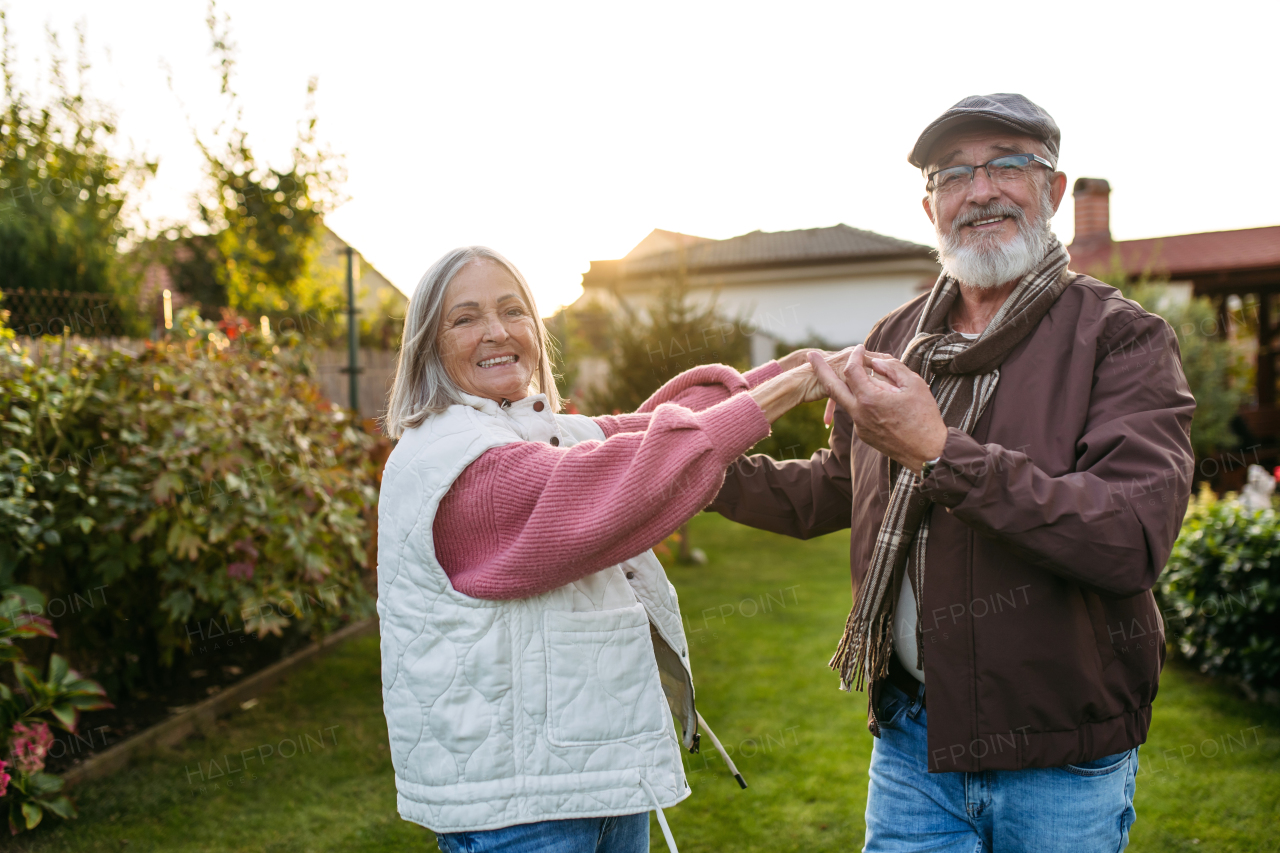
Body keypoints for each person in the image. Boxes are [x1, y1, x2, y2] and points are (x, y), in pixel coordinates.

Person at [710, 94, 1196, 852]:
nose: (981, 190)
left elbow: (1129, 537)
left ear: (1054, 190)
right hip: (913, 746)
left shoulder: (1123, 338)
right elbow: (838, 485)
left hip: (1059, 760)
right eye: (953, 175)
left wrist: (941, 452)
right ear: (930, 204)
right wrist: (698, 471)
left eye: (1008, 164)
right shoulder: (896, 338)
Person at [376, 245, 838, 853]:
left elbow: (640, 429)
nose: (497, 331)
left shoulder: (524, 429)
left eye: (513, 310)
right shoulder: (462, 462)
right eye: (465, 319)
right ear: (428, 347)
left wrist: (786, 371)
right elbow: (621, 477)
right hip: (524, 813)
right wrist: (775, 399)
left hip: (589, 783)